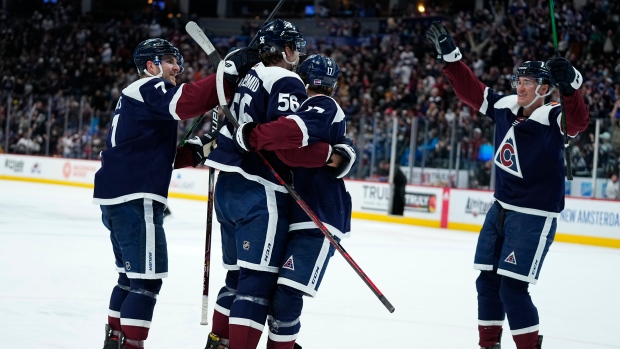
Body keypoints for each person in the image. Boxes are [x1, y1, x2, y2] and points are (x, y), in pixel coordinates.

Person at [426, 21, 590, 349]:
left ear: (545, 88)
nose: (521, 87)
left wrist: (571, 85)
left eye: (528, 82)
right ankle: (489, 345)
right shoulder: (505, 108)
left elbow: (579, 120)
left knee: (512, 288)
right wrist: (451, 59)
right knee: (487, 282)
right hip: (500, 208)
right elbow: (471, 91)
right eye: (519, 80)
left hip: (533, 214)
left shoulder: (554, 116)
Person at [93, 38, 258, 349]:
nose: (177, 68)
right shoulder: (148, 86)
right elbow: (187, 101)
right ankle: (130, 345)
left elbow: (148, 150)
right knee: (146, 281)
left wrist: (193, 152)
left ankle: (116, 340)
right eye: (169, 60)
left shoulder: (136, 97)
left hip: (119, 196)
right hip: (134, 197)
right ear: (151, 65)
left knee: (129, 278)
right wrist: (227, 74)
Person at [201, 20, 351, 349]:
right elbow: (289, 140)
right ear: (284, 49)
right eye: (295, 47)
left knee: (242, 279)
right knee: (255, 282)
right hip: (259, 189)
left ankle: (218, 340)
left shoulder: (247, 79)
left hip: (230, 188)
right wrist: (329, 154)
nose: (297, 55)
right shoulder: (283, 79)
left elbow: (249, 133)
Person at [233, 54, 356, 348]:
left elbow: (291, 139)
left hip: (320, 216)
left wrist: (251, 135)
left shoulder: (321, 105)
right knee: (276, 296)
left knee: (286, 297)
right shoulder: (313, 106)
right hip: (302, 213)